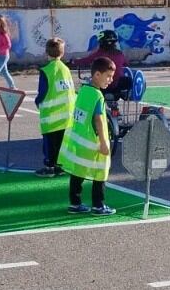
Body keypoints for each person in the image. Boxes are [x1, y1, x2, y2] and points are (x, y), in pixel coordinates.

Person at [60, 56, 115, 216]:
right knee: (100, 172)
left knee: (78, 172)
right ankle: (98, 205)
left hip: (79, 142)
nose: (110, 80)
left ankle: (75, 203)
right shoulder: (97, 96)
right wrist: (104, 143)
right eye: (108, 76)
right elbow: (98, 120)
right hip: (93, 143)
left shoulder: (83, 90)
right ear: (97, 75)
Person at [34, 37, 76, 178]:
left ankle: (49, 166)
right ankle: (60, 166)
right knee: (61, 143)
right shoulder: (66, 69)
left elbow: (43, 91)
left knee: (49, 144)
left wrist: (37, 101)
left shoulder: (46, 70)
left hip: (51, 115)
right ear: (62, 53)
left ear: (47, 52)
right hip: (67, 113)